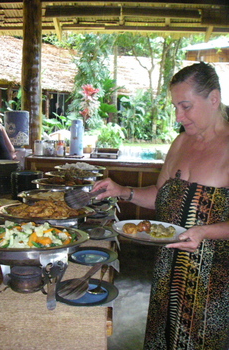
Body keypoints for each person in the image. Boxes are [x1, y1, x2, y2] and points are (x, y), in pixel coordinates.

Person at [92, 62, 229, 349]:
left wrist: (206, 231)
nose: (179, 116)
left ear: (213, 99)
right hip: (168, 272)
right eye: (175, 107)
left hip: (212, 283)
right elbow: (160, 195)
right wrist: (122, 191)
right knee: (162, 339)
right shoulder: (180, 143)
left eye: (186, 106)